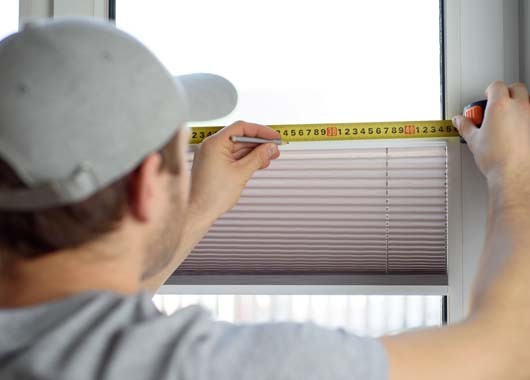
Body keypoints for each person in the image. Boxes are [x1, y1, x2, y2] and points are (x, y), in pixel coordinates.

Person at [0, 18, 529, 380]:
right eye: (174, 155)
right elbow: (506, 351)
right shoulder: (201, 366)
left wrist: (200, 207)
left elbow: (90, 316)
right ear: (144, 188)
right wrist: (515, 175)